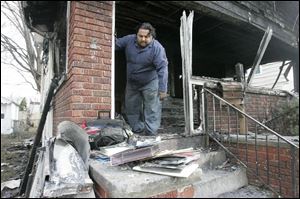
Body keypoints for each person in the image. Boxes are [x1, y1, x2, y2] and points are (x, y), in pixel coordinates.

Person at [115, 22, 168, 136]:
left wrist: (163, 90)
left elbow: (162, 69)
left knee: (152, 109)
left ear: (152, 37)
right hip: (132, 82)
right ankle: (137, 130)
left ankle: (151, 133)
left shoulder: (157, 48)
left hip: (150, 82)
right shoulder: (129, 40)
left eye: (146, 37)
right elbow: (114, 44)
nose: (143, 39)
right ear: (136, 35)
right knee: (131, 107)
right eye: (140, 36)